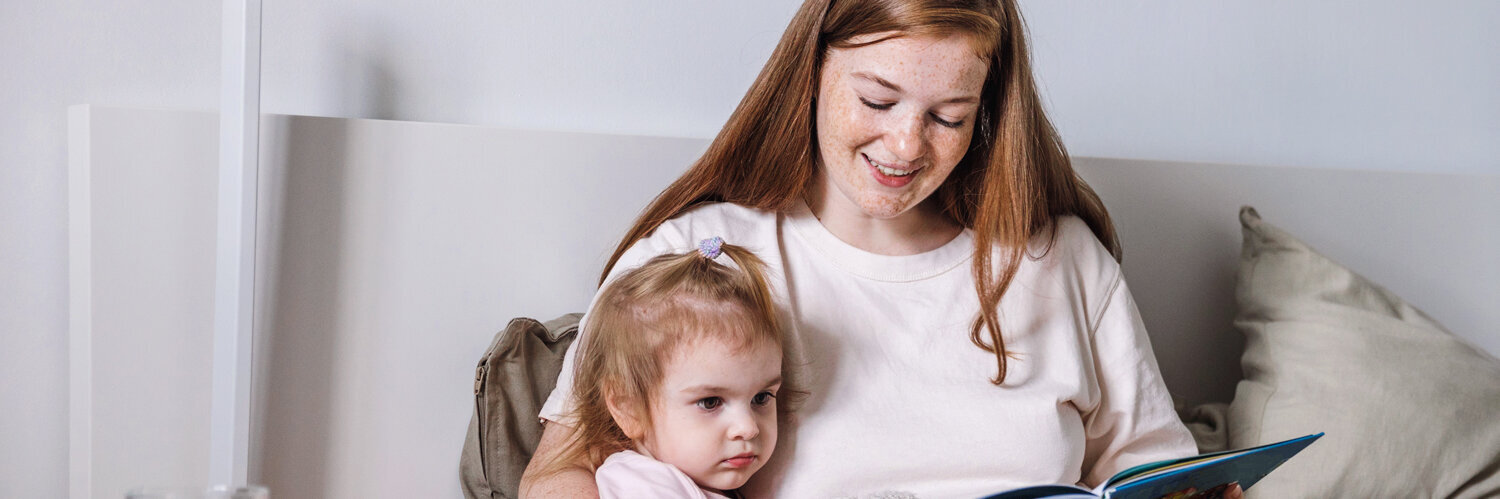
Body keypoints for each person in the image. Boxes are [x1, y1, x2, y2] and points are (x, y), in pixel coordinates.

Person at [522, 1, 1242, 497]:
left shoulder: (1065, 261)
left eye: (948, 117)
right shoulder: (696, 260)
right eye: (877, 100)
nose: (905, 145)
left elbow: (1155, 473)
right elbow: (559, 472)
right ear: (813, 70)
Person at [534, 237, 790, 499]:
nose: (748, 427)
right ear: (628, 408)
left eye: (761, 397)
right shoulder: (643, 486)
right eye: (710, 402)